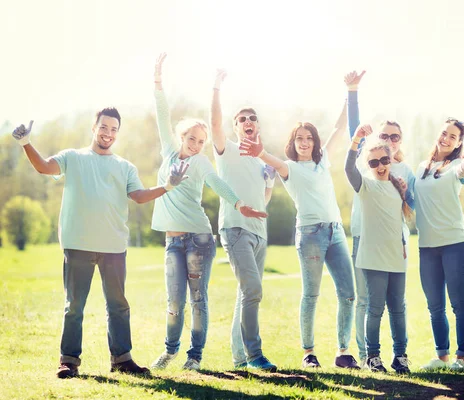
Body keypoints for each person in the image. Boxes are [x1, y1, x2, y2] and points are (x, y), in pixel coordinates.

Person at [11, 108, 188, 379]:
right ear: (94, 127)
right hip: (77, 244)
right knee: (74, 306)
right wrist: (25, 143)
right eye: (104, 127)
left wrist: (168, 186)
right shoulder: (73, 157)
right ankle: (68, 361)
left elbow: (139, 196)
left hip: (114, 246)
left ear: (118, 133)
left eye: (114, 129)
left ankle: (122, 359)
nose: (108, 133)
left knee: (118, 305)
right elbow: (44, 167)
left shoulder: (125, 166)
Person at [148, 54, 267, 372]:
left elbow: (219, 185)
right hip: (173, 241)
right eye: (192, 139)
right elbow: (162, 116)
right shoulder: (169, 152)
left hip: (199, 239)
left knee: (198, 301)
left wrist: (240, 204)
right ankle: (170, 350)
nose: (198, 144)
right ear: (181, 137)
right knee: (174, 303)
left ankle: (194, 356)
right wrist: (158, 81)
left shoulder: (201, 162)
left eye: (202, 141)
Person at [239, 102, 360, 369]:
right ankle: (309, 352)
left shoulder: (323, 161)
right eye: (299, 138)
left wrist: (350, 94)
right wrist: (260, 152)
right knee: (312, 294)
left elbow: (340, 128)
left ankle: (343, 352)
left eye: (309, 138)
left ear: (315, 142)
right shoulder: (289, 167)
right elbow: (270, 159)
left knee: (349, 294)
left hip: (336, 231)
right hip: (310, 235)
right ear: (293, 143)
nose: (305, 143)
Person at [344, 70, 415, 369]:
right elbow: (351, 165)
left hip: (395, 250)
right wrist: (353, 93)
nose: (380, 164)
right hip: (368, 249)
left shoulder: (401, 179)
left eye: (385, 159)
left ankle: (401, 355)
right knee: (372, 308)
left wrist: (403, 243)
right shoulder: (365, 178)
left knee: (397, 308)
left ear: (394, 153)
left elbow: (407, 214)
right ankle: (371, 355)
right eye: (374, 161)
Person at [210, 70, 277, 372]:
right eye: (242, 119)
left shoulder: (263, 158)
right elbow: (213, 125)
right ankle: (254, 355)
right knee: (253, 290)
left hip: (259, 233)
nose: (248, 122)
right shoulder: (227, 150)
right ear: (235, 127)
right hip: (235, 229)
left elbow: (264, 200)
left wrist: (270, 182)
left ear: (258, 125)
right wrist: (216, 88)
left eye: (252, 118)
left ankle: (238, 358)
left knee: (245, 292)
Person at [413, 118, 464, 370]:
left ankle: (462, 358)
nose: (446, 138)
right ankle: (442, 357)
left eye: (453, 136)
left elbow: (463, 173)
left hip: (454, 244)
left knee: (459, 303)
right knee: (434, 306)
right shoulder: (421, 168)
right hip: (427, 247)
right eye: (444, 133)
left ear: (459, 142)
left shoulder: (457, 166)